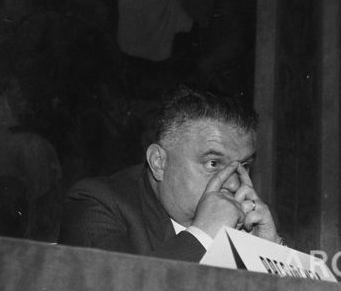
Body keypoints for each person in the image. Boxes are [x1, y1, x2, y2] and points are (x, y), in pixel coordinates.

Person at [58, 85, 280, 260]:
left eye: (244, 166)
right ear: (159, 162)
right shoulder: (97, 204)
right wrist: (203, 234)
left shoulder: (252, 223)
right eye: (213, 163)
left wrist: (270, 256)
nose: (234, 184)